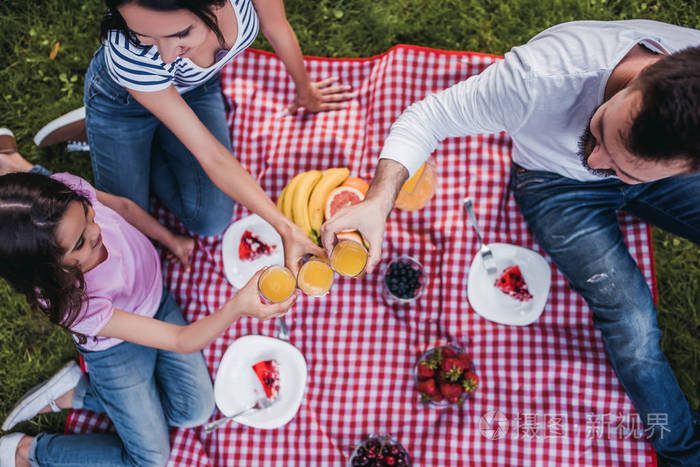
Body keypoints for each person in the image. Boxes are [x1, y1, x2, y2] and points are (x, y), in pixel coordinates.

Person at [321, 20, 700, 464]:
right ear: (646, 75)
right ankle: (685, 453)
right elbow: (427, 116)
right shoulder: (542, 77)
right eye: (598, 129)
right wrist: (379, 200)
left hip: (658, 183)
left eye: (620, 166)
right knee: (633, 327)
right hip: (554, 184)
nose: (594, 159)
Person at [0, 129, 297, 467]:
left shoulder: (72, 193)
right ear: (49, 271)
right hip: (114, 349)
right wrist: (239, 306)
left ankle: (82, 393)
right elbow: (181, 340)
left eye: (89, 215)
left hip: (156, 301)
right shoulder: (77, 305)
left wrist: (168, 238)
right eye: (80, 244)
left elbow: (124, 207)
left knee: (194, 411)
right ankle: (31, 452)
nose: (96, 232)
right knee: (150, 460)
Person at [45, 0, 347, 272]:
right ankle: (98, 125)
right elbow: (212, 155)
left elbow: (276, 26)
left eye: (178, 34)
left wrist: (305, 91)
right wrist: (284, 226)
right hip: (123, 106)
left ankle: (148, 139)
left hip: (194, 92)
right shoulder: (129, 55)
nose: (163, 57)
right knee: (126, 229)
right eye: (143, 35)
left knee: (211, 220)